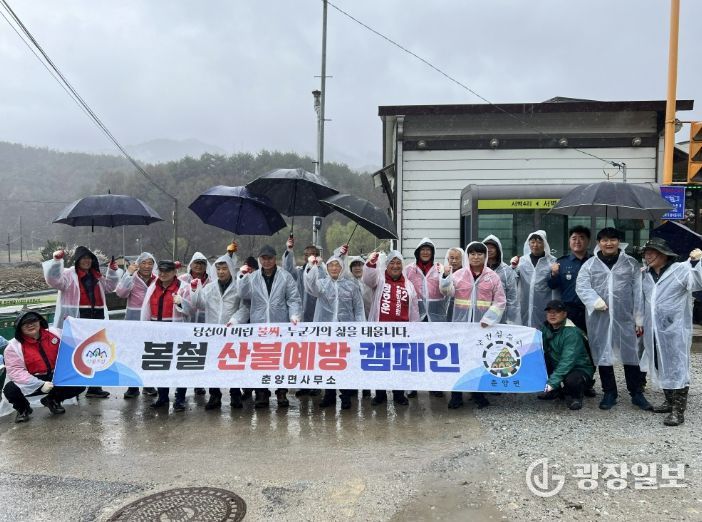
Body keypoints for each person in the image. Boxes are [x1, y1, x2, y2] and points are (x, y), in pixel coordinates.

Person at [576, 227, 650, 411]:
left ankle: (636, 393)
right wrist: (595, 301)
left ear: (619, 242)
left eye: (613, 239)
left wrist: (639, 319)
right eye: (604, 240)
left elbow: (638, 292)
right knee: (603, 353)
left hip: (625, 318)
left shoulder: (631, 263)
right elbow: (582, 286)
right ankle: (609, 393)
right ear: (598, 243)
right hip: (599, 319)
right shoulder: (590, 265)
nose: (608, 243)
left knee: (631, 353)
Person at [43, 246, 122, 399]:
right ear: (77, 260)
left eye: (89, 258)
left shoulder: (97, 276)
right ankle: (71, 388)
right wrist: (56, 261)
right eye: (83, 258)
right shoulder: (68, 274)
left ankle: (94, 387)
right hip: (77, 319)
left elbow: (110, 287)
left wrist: (112, 271)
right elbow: (54, 281)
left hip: (96, 317)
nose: (87, 261)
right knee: (73, 351)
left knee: (95, 351)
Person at [640, 239, 702, 426]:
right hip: (653, 329)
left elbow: (698, 283)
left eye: (652, 252)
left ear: (664, 254)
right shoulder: (646, 275)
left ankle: (678, 410)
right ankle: (669, 401)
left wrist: (697, 262)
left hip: (675, 330)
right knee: (660, 364)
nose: (648, 256)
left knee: (677, 366)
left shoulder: (680, 270)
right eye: (646, 252)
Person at [440, 241, 506, 409]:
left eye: (479, 254)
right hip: (461, 326)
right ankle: (456, 396)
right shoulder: (459, 274)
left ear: (485, 256)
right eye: (472, 254)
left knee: (479, 360)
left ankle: (478, 394)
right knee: (459, 360)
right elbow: (447, 292)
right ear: (468, 256)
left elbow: (500, 301)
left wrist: (488, 320)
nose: (476, 257)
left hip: (482, 327)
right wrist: (446, 276)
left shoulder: (492, 277)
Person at [239, 244, 302, 408]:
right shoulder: (253, 277)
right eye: (263, 258)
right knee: (261, 359)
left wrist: (294, 315)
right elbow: (243, 295)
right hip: (259, 325)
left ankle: (281, 392)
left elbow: (293, 299)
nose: (267, 261)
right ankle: (262, 392)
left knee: (281, 359)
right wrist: (243, 277)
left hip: (280, 324)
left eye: (270, 258)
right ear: (259, 259)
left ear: (275, 259)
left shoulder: (285, 276)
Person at [305, 252, 366, 409]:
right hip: (327, 333)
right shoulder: (322, 284)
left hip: (346, 333)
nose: (334, 268)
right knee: (328, 364)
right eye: (331, 265)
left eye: (337, 265)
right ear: (326, 268)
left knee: (345, 364)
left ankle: (345, 396)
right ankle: (329, 395)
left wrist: (360, 328)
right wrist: (312, 266)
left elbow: (359, 309)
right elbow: (310, 285)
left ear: (342, 268)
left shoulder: (351, 286)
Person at [188, 254, 250, 411]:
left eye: (224, 269)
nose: (221, 272)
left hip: (232, 332)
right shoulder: (209, 288)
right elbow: (199, 304)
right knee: (213, 364)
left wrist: (235, 320)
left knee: (233, 364)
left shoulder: (238, 287)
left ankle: (235, 394)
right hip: (213, 332)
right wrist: (194, 290)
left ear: (231, 270)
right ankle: (215, 395)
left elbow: (245, 308)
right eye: (218, 269)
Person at [2, 311, 85, 422]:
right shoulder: (13, 347)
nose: (30, 325)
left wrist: (72, 324)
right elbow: (15, 371)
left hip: (56, 375)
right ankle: (23, 409)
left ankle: (52, 400)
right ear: (19, 327)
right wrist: (39, 384)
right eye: (25, 323)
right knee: (10, 390)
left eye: (33, 321)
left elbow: (75, 339)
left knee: (80, 382)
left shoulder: (56, 333)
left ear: (40, 321)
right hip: (32, 379)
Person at [363, 250, 419, 406]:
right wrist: (371, 264)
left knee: (399, 363)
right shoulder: (379, 280)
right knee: (381, 362)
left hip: (402, 332)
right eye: (392, 263)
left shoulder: (408, 285)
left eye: (398, 263)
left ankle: (399, 394)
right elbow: (368, 279)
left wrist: (416, 329)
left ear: (402, 265)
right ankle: (380, 394)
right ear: (386, 265)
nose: (395, 266)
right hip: (381, 331)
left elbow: (414, 309)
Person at [142, 260, 193, 412]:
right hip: (156, 331)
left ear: (174, 272)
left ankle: (180, 399)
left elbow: (191, 309)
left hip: (177, 330)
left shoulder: (183, 287)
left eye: (167, 271)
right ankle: (162, 397)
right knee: (160, 365)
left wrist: (181, 302)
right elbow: (146, 309)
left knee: (179, 365)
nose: (163, 274)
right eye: (161, 271)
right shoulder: (153, 287)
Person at [115, 252, 158, 399]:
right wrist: (128, 274)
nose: (147, 266)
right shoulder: (132, 278)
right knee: (133, 353)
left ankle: (148, 384)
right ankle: (132, 386)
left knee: (149, 353)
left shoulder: (157, 280)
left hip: (151, 322)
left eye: (150, 263)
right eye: (143, 263)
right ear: (138, 264)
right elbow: (120, 293)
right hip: (133, 321)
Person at [538, 300, 595, 411]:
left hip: (578, 368)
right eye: (549, 312)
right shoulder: (546, 328)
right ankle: (554, 392)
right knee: (540, 361)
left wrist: (552, 382)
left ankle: (576, 397)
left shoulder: (572, 333)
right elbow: (539, 349)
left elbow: (567, 361)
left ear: (564, 314)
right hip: (558, 363)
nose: (552, 315)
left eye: (556, 312)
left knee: (572, 380)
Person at [547, 226, 591, 332]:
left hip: (590, 309)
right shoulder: (562, 262)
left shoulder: (594, 261)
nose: (577, 241)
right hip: (569, 311)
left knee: (591, 339)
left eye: (582, 238)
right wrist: (554, 274)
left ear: (588, 241)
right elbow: (552, 285)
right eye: (574, 238)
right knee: (570, 339)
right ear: (569, 241)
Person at [515, 231, 557, 329]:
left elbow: (555, 283)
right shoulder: (522, 261)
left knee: (544, 330)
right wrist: (513, 267)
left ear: (544, 244)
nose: (535, 245)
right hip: (524, 303)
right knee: (524, 330)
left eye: (539, 242)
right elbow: (513, 278)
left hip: (544, 303)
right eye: (532, 242)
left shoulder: (552, 261)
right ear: (528, 243)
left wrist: (554, 274)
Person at [483, 235, 520, 325]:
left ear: (498, 250)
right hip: (480, 315)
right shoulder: (478, 269)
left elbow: (512, 297)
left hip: (501, 317)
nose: (489, 250)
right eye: (486, 247)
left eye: (492, 247)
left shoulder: (507, 271)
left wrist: (510, 320)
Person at [443, 247, 467, 322]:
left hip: (461, 309)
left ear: (462, 259)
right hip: (444, 308)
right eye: (452, 258)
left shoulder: (466, 274)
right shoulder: (442, 273)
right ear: (448, 259)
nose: (454, 261)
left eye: (457, 258)